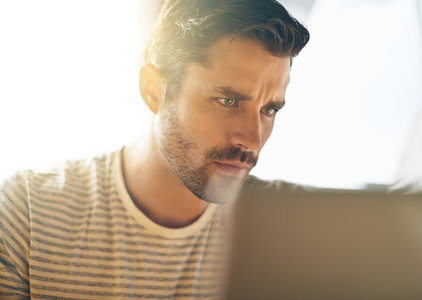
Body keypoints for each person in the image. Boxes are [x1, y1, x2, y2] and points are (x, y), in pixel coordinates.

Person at [0, 0, 309, 298]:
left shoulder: (298, 226)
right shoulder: (28, 212)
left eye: (269, 110)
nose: (253, 140)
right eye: (228, 101)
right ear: (153, 90)